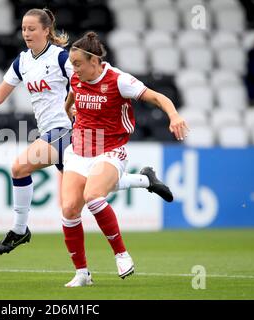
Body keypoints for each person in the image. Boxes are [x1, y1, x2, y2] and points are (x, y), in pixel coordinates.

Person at [0, 8, 172, 256]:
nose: (26, 33)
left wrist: (78, 107)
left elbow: (86, 78)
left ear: (46, 30)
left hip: (67, 129)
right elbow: (0, 95)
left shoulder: (60, 58)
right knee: (91, 189)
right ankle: (144, 179)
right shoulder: (21, 62)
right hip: (50, 131)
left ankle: (19, 229)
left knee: (20, 167)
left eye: (32, 28)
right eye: (23, 28)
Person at [61, 32, 189, 287]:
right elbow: (73, 94)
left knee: (93, 196)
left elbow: (157, 97)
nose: (73, 69)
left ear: (95, 61)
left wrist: (174, 116)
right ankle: (82, 274)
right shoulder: (77, 76)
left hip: (110, 150)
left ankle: (121, 254)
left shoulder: (119, 80)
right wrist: (68, 110)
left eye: (78, 64)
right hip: (78, 150)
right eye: (72, 64)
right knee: (69, 210)